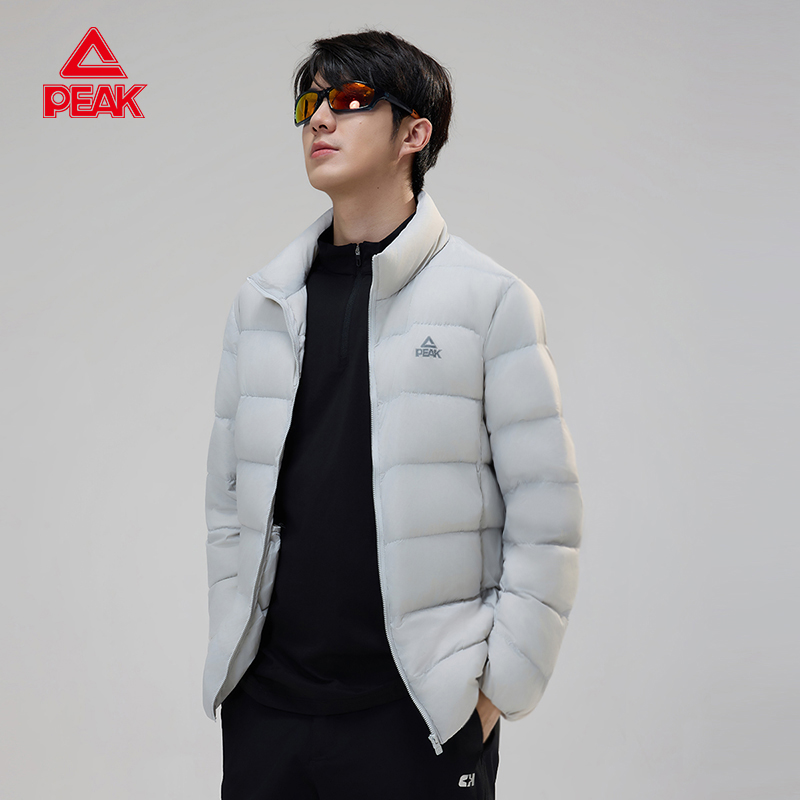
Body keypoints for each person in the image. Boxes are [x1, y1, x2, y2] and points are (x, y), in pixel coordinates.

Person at [202, 29, 583, 800]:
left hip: (416, 714)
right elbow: (227, 504)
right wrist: (235, 657)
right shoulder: (264, 303)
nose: (319, 119)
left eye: (349, 101)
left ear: (415, 133)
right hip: (270, 709)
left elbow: (547, 516)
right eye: (310, 104)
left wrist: (492, 693)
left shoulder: (491, 301)